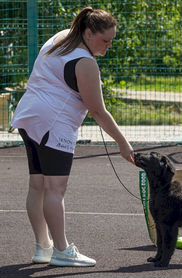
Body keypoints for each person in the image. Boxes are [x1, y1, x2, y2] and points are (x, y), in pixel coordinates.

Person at [12, 7, 134, 267]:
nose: (109, 47)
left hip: (29, 116)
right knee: (55, 189)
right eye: (105, 41)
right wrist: (124, 144)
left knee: (38, 185)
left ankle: (43, 247)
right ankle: (62, 250)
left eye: (112, 41)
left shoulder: (62, 37)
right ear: (89, 33)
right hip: (52, 125)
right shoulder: (86, 63)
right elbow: (98, 112)